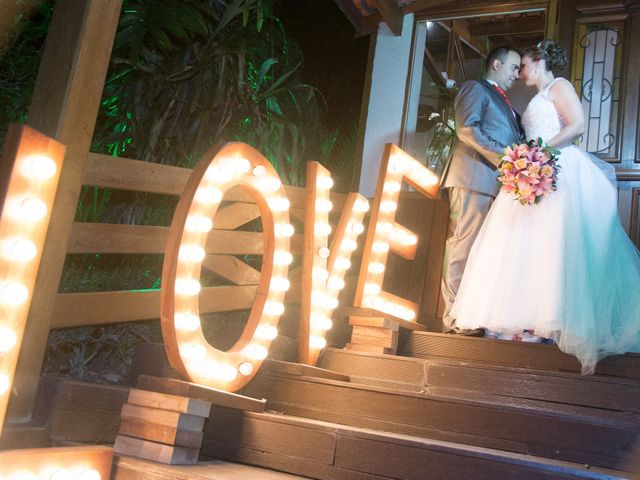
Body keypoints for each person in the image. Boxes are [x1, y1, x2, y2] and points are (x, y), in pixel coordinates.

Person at [451, 40, 640, 374]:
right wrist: (529, 157)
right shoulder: (531, 98)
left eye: (522, 65)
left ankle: (556, 320)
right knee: (526, 244)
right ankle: (527, 320)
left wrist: (538, 150)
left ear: (537, 61)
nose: (520, 72)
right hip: (537, 169)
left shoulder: (559, 86)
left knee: (555, 242)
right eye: (516, 67)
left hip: (556, 166)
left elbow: (577, 125)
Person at [440, 46, 523, 335]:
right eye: (514, 67)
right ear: (496, 64)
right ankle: (452, 318)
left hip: (495, 186)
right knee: (463, 244)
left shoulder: (510, 107)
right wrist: (509, 159)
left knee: (480, 252)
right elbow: (467, 130)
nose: (518, 74)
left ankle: (470, 315)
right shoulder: (475, 88)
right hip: (472, 177)